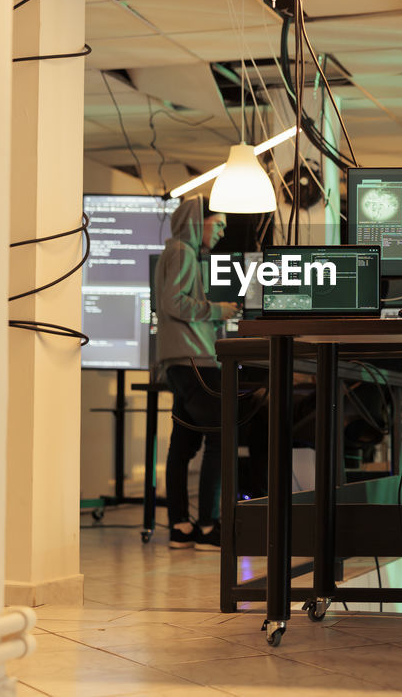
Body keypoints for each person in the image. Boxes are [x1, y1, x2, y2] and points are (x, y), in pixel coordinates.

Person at [154, 196, 239, 550]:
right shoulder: (183, 253)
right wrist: (219, 309)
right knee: (221, 437)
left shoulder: (172, 252)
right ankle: (208, 526)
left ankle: (180, 527)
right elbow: (172, 302)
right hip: (195, 361)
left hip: (178, 361)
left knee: (184, 445)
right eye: (217, 224)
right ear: (195, 221)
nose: (221, 231)